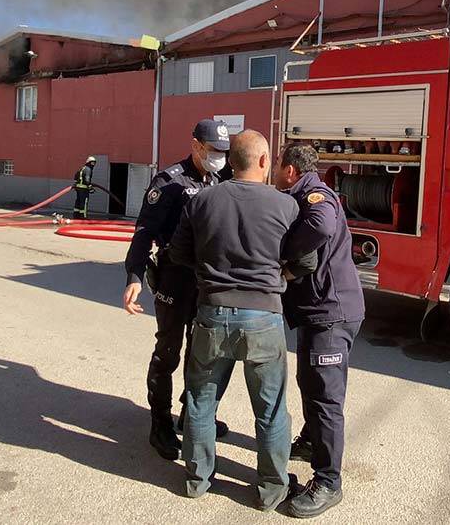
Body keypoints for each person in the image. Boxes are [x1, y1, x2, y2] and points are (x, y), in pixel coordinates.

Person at [169, 130, 315, 511]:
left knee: (201, 402)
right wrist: (278, 276)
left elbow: (178, 253)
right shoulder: (286, 206)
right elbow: (307, 260)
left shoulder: (202, 200)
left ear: (230, 161)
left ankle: (198, 479)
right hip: (264, 318)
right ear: (265, 161)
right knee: (269, 409)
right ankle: (271, 490)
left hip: (211, 313)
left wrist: (210, 271)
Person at [122, 119, 232, 460]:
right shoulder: (169, 182)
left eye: (224, 152)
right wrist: (134, 277)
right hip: (173, 279)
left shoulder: (222, 178)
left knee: (202, 354)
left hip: (206, 282)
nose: (219, 157)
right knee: (168, 352)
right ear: (196, 145)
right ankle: (160, 424)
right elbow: (144, 232)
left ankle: (192, 414)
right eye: (213, 151)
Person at [275, 142, 366, 519]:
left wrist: (285, 251)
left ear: (291, 170)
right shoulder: (299, 194)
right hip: (319, 312)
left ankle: (329, 481)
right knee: (310, 382)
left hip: (331, 314)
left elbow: (322, 224)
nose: (275, 173)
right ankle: (313, 442)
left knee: (325, 396)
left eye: (278, 167)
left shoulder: (315, 195)